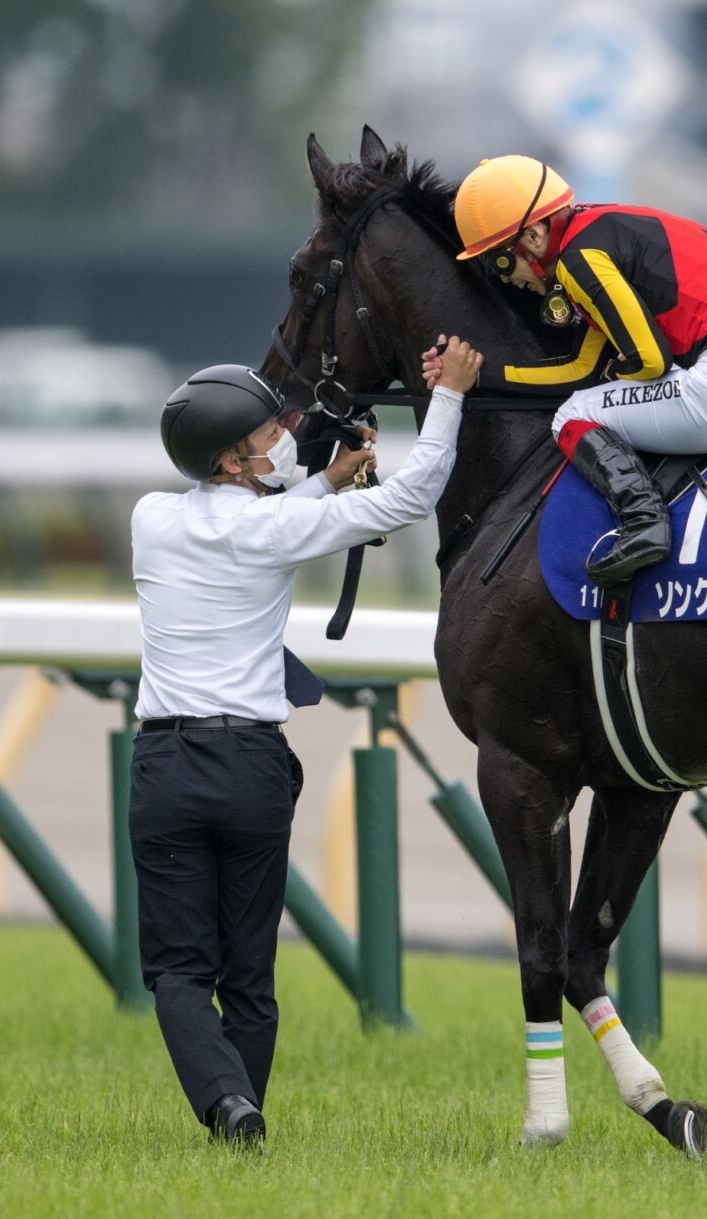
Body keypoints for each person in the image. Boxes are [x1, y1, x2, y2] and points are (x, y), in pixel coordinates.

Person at [130, 343, 482, 1145]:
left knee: (179, 973)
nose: (282, 436)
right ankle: (237, 1114)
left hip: (165, 769)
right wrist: (451, 396)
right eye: (267, 431)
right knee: (250, 973)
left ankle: (230, 1109)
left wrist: (325, 474)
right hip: (253, 767)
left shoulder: (150, 519)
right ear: (230, 458)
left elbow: (259, 501)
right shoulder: (279, 526)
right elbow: (414, 494)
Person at [442, 155, 707, 586]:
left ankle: (643, 522)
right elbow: (582, 368)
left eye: (499, 260)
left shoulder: (577, 259)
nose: (504, 277)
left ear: (534, 233)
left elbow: (648, 360)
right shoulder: (603, 230)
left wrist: (616, 374)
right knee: (590, 401)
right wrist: (483, 376)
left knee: (571, 416)